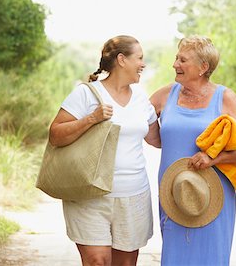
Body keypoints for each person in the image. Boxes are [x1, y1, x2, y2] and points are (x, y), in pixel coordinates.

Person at [48, 35, 161, 266]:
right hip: (90, 194)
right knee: (97, 261)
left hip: (133, 195)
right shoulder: (86, 94)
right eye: (139, 58)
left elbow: (157, 140)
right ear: (122, 59)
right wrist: (91, 118)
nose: (143, 64)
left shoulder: (141, 98)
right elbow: (55, 135)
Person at [150, 35, 236, 266]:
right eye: (176, 58)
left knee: (211, 258)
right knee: (174, 258)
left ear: (203, 67)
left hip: (211, 194)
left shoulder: (225, 98)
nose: (175, 64)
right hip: (176, 192)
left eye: (182, 60)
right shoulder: (164, 95)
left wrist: (212, 157)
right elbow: (139, 124)